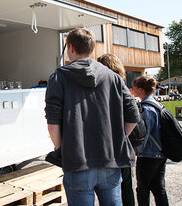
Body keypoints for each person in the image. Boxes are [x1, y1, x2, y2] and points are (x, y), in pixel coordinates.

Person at [45, 28, 141, 206]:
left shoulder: (58, 77)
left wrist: (61, 150)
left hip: (77, 161)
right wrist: (118, 139)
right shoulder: (113, 77)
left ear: (71, 48)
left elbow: (53, 125)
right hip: (110, 161)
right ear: (92, 48)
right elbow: (134, 116)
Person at [97, 53, 135, 206]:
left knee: (115, 187)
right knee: (126, 187)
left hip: (114, 145)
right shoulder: (122, 85)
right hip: (126, 144)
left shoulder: (106, 87)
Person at [132, 76, 169, 206]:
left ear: (140, 90)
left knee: (142, 189)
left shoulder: (146, 108)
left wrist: (137, 151)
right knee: (159, 188)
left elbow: (144, 134)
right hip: (161, 152)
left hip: (148, 154)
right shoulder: (157, 105)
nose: (132, 90)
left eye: (134, 87)